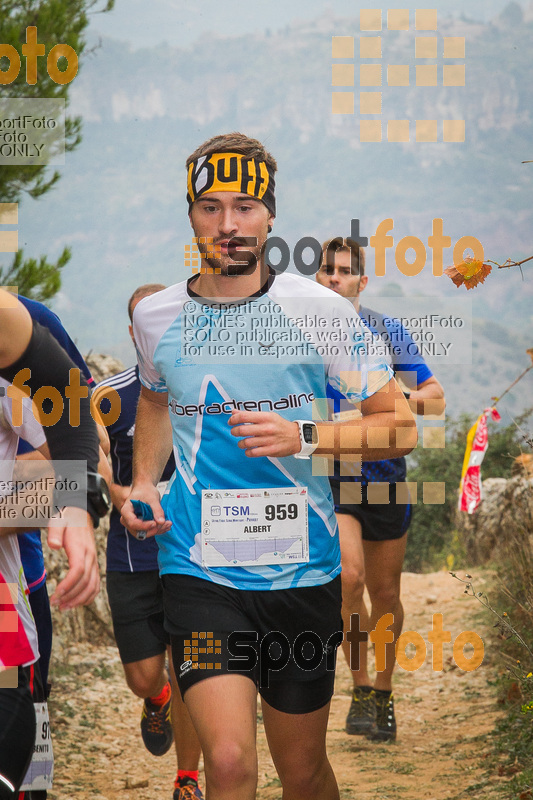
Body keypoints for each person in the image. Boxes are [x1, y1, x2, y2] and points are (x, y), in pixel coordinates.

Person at [120, 132, 417, 800]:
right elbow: (156, 397)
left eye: (246, 206)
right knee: (226, 763)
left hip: (301, 574)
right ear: (190, 215)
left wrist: (304, 435)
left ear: (270, 215)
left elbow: (395, 424)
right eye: (212, 207)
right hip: (198, 571)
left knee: (302, 769)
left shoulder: (320, 312)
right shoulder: (155, 313)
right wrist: (143, 479)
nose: (229, 224)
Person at [316, 236, 445, 741]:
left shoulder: (386, 332)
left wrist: (397, 400)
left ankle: (385, 693)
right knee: (348, 580)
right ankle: (361, 684)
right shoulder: (299, 335)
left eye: (344, 271)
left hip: (387, 478)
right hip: (334, 477)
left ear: (361, 282)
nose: (333, 278)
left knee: (385, 593)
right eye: (327, 269)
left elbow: (434, 399)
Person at [93, 284, 203, 800]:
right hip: (130, 553)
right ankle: (153, 698)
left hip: (191, 552)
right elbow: (89, 461)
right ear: (134, 331)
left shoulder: (201, 381)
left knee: (192, 667)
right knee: (144, 675)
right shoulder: (107, 396)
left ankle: (187, 779)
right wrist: (120, 495)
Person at [0, 289, 105, 798]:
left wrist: (72, 499)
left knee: (28, 713)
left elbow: (88, 437)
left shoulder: (19, 317)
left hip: (18, 568)